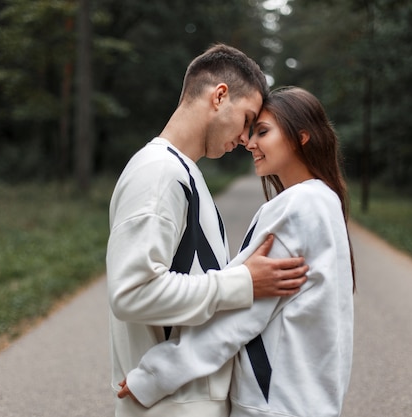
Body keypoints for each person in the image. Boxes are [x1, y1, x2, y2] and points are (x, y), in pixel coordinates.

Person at [118, 86, 356, 417]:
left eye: (262, 131)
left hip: (273, 403)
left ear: (302, 137)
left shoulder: (297, 206)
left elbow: (240, 314)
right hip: (306, 400)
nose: (250, 142)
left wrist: (154, 376)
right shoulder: (325, 201)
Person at [106, 45, 309, 417]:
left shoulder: (181, 173)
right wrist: (243, 283)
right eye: (247, 119)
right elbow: (132, 293)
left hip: (183, 400)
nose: (247, 140)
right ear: (219, 96)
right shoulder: (158, 174)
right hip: (171, 406)